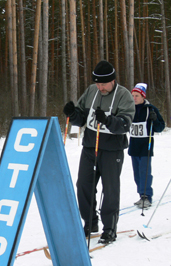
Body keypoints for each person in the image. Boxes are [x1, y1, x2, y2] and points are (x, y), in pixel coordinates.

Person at [62, 60, 135, 244]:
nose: (100, 87)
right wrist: (72, 114)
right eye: (97, 83)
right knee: (83, 186)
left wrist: (109, 120)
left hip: (112, 150)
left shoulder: (123, 95)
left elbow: (126, 124)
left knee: (110, 190)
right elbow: (81, 118)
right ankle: (90, 222)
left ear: (112, 80)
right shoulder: (91, 91)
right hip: (89, 147)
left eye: (103, 83)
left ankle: (109, 228)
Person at [128, 83, 165, 209]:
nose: (134, 98)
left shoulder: (151, 109)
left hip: (146, 146)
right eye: (132, 95)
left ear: (143, 96)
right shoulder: (129, 108)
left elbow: (160, 127)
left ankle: (147, 196)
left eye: (136, 96)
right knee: (137, 173)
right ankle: (141, 195)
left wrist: (154, 120)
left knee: (145, 172)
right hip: (133, 146)